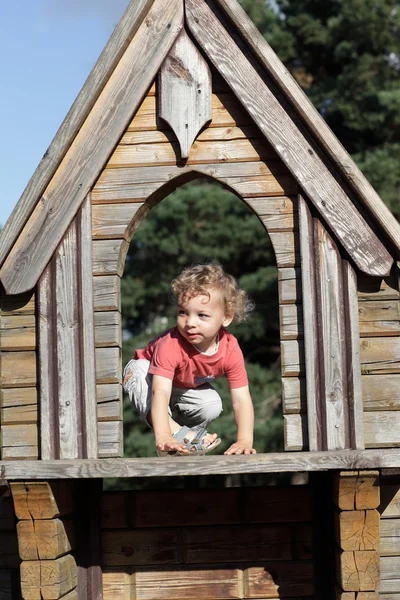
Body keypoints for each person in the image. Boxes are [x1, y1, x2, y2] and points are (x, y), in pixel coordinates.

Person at [123, 264, 256, 457]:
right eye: (183, 312)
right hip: (147, 378)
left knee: (212, 404)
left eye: (202, 315)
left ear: (226, 317)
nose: (190, 323)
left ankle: (184, 443)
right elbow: (159, 391)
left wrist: (244, 440)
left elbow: (241, 399)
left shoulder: (230, 348)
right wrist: (163, 436)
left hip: (181, 388)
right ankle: (177, 435)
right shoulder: (171, 344)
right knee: (141, 369)